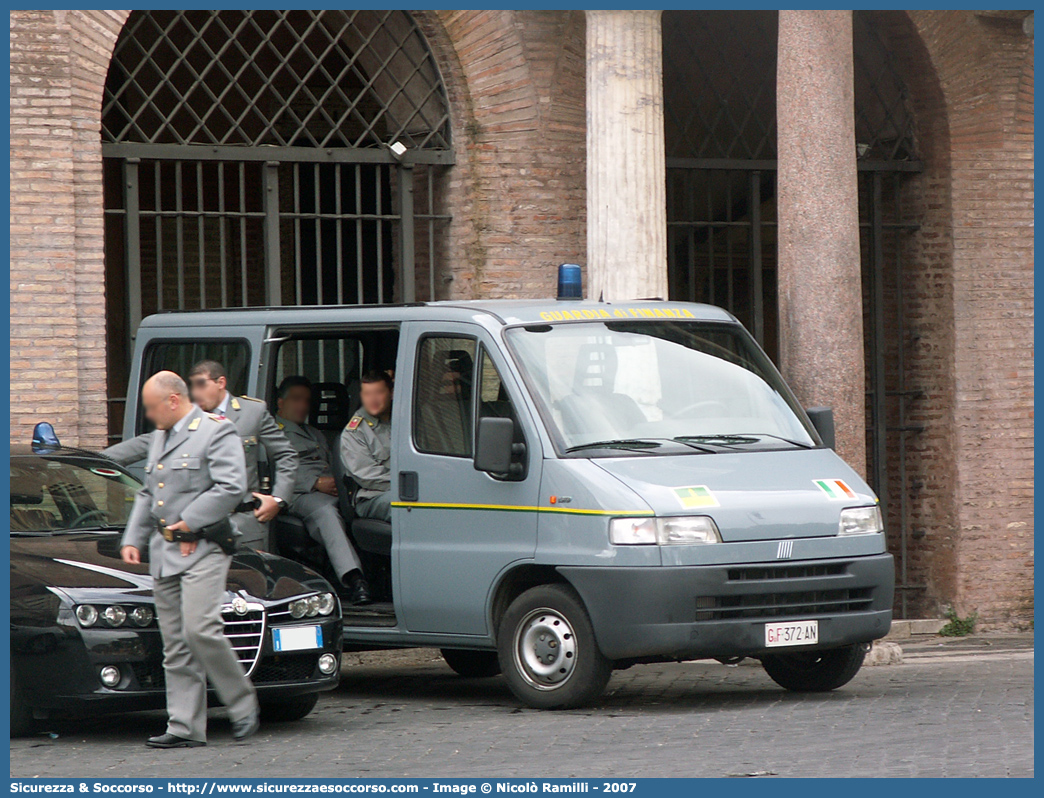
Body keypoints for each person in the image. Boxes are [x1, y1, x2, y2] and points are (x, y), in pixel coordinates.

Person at [120, 371, 260, 748]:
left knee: (200, 629)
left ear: (173, 400)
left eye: (151, 407)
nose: (149, 415)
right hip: (165, 550)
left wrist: (190, 520)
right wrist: (133, 538)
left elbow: (232, 485)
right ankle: (184, 726)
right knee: (176, 644)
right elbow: (148, 493)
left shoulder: (216, 430)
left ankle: (242, 702)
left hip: (204, 546)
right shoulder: (162, 436)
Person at [103, 362, 299, 552]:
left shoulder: (252, 412)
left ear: (220, 383)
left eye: (201, 384)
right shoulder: (187, 415)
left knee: (248, 582)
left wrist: (278, 498)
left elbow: (285, 454)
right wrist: (89, 460)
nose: (196, 392)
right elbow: (147, 442)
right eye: (192, 386)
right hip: (196, 527)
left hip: (243, 523)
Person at [274, 376, 371, 605]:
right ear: (280, 402)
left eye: (306, 400)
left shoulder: (314, 432)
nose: (302, 406)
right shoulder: (273, 432)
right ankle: (354, 579)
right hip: (298, 495)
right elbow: (272, 470)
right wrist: (315, 483)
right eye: (296, 399)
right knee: (327, 511)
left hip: (330, 490)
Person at [340, 371, 393, 522]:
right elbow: (369, 478)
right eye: (367, 394)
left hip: (409, 490)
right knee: (410, 506)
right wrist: (410, 486)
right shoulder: (354, 432)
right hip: (372, 496)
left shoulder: (405, 420)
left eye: (378, 392)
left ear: (392, 393)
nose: (373, 399)